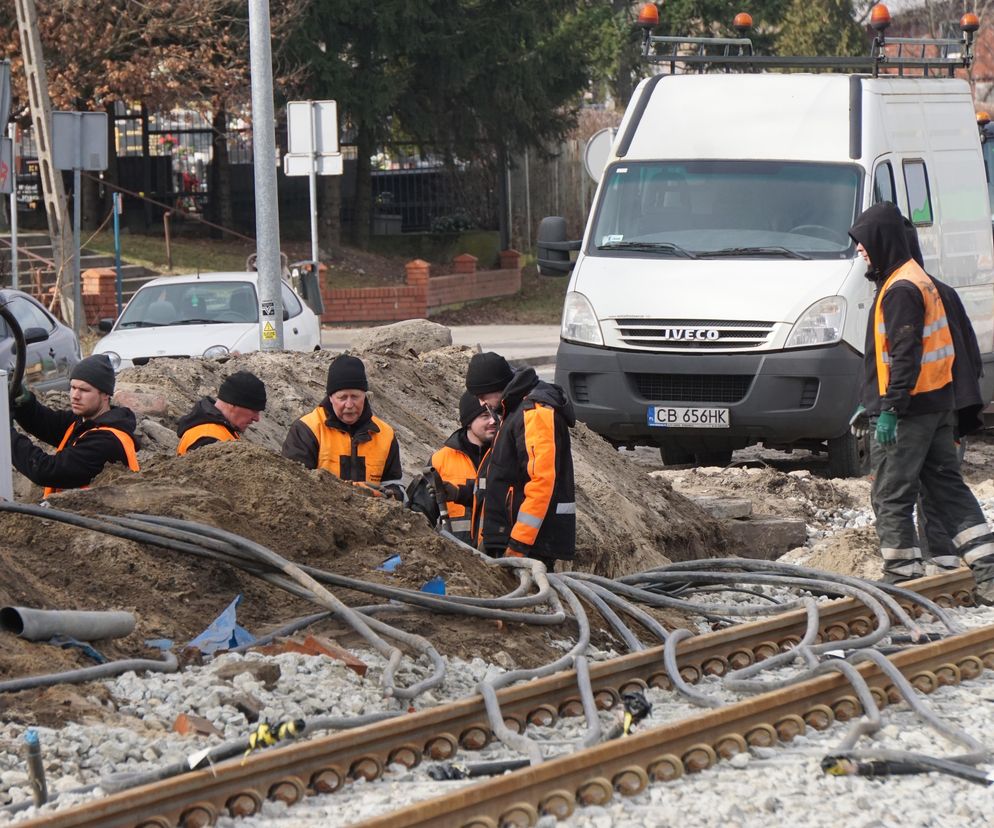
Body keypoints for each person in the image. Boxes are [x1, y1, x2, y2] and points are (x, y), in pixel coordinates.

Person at [848, 202, 994, 596]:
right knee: (948, 488)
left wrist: (889, 409)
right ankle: (988, 573)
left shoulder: (900, 289)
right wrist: (871, 398)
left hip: (909, 412)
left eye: (863, 242)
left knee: (891, 493)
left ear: (881, 240)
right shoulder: (920, 279)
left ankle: (902, 578)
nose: (860, 249)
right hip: (936, 406)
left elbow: (904, 355)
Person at [465, 351, 576, 569]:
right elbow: (507, 474)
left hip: (531, 544)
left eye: (483, 395)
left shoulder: (534, 413)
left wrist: (519, 543)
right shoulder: (514, 409)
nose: (481, 402)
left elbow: (541, 482)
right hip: (516, 537)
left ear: (498, 387)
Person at [9, 353, 140, 497]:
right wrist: (24, 402)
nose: (75, 396)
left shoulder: (106, 441)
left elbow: (46, 471)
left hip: (91, 517)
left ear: (105, 395)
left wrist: (5, 436)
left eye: (84, 390)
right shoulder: (84, 422)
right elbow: (46, 423)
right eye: (73, 387)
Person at [282, 354, 404, 500]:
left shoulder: (385, 434)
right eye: (342, 398)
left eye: (355, 396)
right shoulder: (307, 430)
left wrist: (390, 495)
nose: (349, 404)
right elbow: (294, 484)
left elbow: (394, 484)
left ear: (365, 395)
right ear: (331, 397)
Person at [430, 391, 498, 543]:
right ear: (468, 421)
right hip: (456, 559)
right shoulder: (440, 460)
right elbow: (422, 514)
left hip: (498, 554)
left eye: (494, 414)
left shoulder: (505, 456)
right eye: (485, 416)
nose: (494, 421)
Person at [176, 370, 267, 455]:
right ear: (232, 403)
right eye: (254, 410)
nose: (257, 418)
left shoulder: (222, 429)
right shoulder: (207, 439)